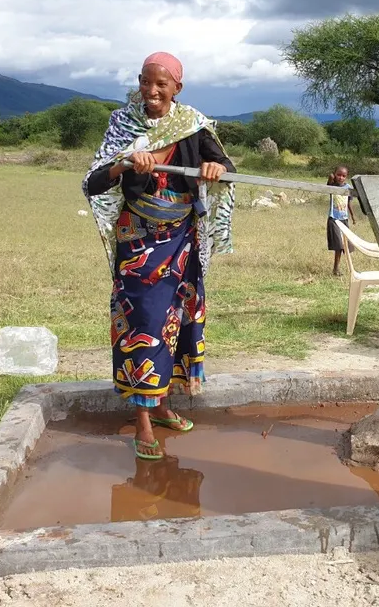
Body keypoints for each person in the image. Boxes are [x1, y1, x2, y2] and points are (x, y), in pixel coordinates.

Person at [83, 52, 236, 461]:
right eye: (145, 82)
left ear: (177, 89)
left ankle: (164, 406)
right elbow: (94, 181)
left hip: (182, 240)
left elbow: (226, 164)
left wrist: (215, 168)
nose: (151, 91)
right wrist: (124, 164)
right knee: (144, 324)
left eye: (161, 85)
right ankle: (143, 423)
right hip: (137, 242)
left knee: (177, 323)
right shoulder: (123, 124)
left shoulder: (192, 124)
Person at [326, 166, 356, 276]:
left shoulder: (348, 188)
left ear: (346, 177)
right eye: (338, 175)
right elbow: (329, 181)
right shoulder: (332, 186)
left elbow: (349, 203)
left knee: (346, 246)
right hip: (334, 218)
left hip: (344, 219)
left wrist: (353, 216)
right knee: (338, 246)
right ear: (335, 175)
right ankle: (335, 269)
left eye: (343, 176)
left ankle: (350, 269)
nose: (341, 177)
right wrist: (331, 177)